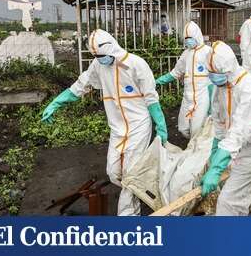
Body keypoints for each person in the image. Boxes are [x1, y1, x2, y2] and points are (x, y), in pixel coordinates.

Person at [41, 29, 167, 216]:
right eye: (96, 56)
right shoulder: (98, 65)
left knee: (129, 175)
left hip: (138, 125)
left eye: (102, 55)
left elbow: (151, 97)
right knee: (114, 172)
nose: (100, 59)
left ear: (112, 49)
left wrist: (161, 125)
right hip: (117, 127)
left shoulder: (136, 64)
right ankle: (144, 182)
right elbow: (79, 87)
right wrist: (55, 103)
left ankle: (128, 217)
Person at [199, 41, 251, 216]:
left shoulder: (250, 88)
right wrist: (215, 154)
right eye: (211, 73)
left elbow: (239, 130)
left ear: (228, 69)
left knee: (228, 203)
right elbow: (219, 122)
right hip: (234, 148)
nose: (213, 77)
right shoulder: (219, 88)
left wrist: (216, 169)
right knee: (235, 195)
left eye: (216, 73)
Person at [155, 21, 212, 139]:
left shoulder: (208, 52)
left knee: (197, 128)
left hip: (202, 96)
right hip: (188, 97)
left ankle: (197, 151)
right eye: (186, 38)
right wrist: (159, 81)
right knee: (183, 128)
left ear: (197, 36)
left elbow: (217, 74)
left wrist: (212, 99)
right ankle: (193, 145)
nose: (188, 41)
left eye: (190, 38)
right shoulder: (186, 54)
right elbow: (176, 72)